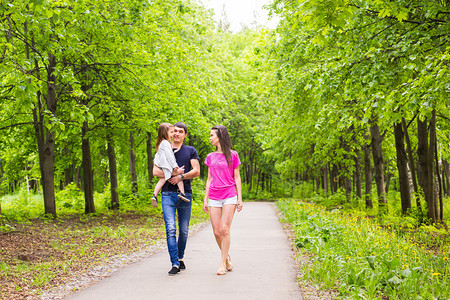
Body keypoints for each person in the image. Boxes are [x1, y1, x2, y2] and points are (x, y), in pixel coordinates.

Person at [153, 122, 200, 276]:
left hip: (185, 194)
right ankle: (174, 263)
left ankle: (180, 257)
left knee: (184, 230)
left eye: (180, 132)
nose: (177, 134)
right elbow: (155, 171)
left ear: (185, 135)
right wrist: (172, 174)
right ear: (171, 133)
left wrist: (181, 177)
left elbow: (196, 171)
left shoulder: (190, 151)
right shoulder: (164, 148)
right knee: (171, 229)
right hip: (167, 194)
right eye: (175, 131)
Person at [203, 125, 243, 275]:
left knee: (224, 229)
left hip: (229, 194)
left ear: (220, 136)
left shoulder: (233, 155)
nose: (210, 138)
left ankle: (221, 264)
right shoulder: (210, 157)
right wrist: (205, 199)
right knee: (216, 232)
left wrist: (240, 198)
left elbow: (237, 177)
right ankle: (227, 258)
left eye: (212, 135)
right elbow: (209, 179)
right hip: (214, 196)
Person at [151, 122, 189, 208]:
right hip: (166, 164)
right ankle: (182, 193)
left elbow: (159, 155)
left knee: (162, 180)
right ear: (165, 133)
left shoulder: (162, 143)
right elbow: (170, 155)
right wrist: (175, 166)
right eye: (171, 132)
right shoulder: (166, 143)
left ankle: (154, 195)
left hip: (161, 164)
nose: (173, 134)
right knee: (179, 174)